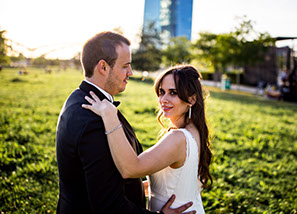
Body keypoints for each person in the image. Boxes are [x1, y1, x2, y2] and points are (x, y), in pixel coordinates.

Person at [55, 31, 195, 214]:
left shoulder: (79, 98)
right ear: (103, 67)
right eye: (125, 66)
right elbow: (110, 207)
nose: (131, 72)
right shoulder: (92, 120)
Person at [82, 65, 213, 214]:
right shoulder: (195, 129)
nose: (163, 100)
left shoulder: (179, 138)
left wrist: (109, 115)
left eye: (173, 93)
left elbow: (131, 169)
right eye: (162, 92)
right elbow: (175, 182)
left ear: (191, 99)